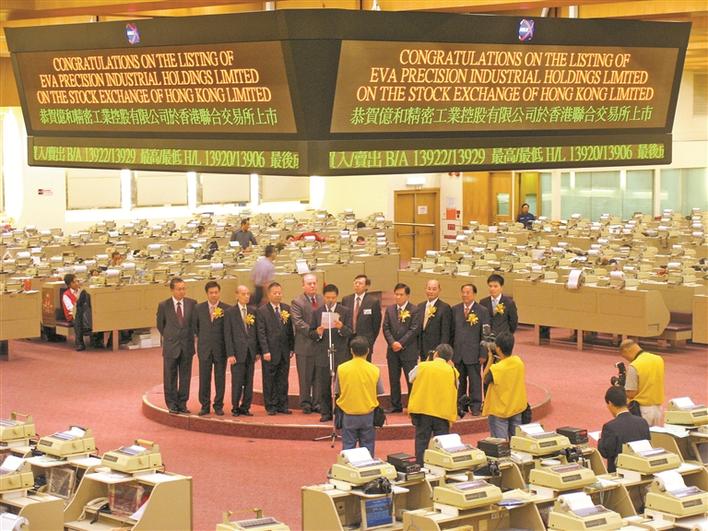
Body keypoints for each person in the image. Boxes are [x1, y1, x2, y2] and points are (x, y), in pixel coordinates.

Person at [407, 344, 459, 464]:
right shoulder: (453, 371)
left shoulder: (423, 366)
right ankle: (440, 466)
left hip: (423, 410)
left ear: (436, 354)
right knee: (441, 444)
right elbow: (457, 385)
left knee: (421, 441)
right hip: (443, 413)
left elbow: (410, 377)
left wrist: (426, 362)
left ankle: (420, 465)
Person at [309, 284, 353, 422]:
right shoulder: (317, 312)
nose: (330, 300)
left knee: (341, 386)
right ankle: (326, 413)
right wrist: (318, 333)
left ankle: (340, 413)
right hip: (323, 354)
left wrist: (341, 328)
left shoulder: (345, 311)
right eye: (328, 297)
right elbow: (311, 334)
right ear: (324, 297)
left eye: (333, 298)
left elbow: (350, 332)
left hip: (340, 353)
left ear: (337, 297)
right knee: (323, 385)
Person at [336, 336, 384, 456]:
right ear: (368, 350)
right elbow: (379, 391)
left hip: (348, 413)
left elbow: (337, 390)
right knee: (368, 447)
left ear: (351, 350)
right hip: (367, 414)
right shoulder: (374, 369)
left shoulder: (342, 368)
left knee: (348, 447)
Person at [156, 277, 197, 414]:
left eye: (184, 288)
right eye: (179, 289)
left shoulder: (192, 303)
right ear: (172, 290)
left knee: (185, 377)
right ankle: (172, 404)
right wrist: (171, 336)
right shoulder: (164, 305)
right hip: (171, 346)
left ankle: (182, 403)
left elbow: (194, 324)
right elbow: (160, 325)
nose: (182, 291)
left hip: (187, 346)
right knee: (170, 376)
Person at [451, 284, 491, 417]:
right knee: (459, 381)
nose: (465, 295)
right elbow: (452, 332)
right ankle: (460, 405)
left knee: (475, 382)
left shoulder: (482, 311)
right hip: (458, 353)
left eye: (468, 292)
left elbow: (485, 334)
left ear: (474, 294)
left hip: (474, 353)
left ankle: (475, 406)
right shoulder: (455, 309)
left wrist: (483, 353)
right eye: (463, 292)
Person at [256, 282, 295, 416]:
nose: (278, 295)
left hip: (284, 351)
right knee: (269, 380)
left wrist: (291, 347)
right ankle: (271, 405)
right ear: (269, 294)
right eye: (275, 293)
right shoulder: (262, 311)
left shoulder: (286, 308)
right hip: (270, 352)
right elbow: (261, 333)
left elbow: (290, 330)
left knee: (283, 379)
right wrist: (265, 351)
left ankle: (282, 405)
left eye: (279, 293)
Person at [481, 332, 527, 440]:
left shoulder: (497, 369)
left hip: (499, 411)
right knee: (517, 442)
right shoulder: (518, 362)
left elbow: (485, 379)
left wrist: (490, 358)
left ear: (498, 348)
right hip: (516, 407)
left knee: (500, 444)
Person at [193, 281, 230, 416]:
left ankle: (218, 405)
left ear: (219, 293)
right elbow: (196, 328)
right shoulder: (198, 308)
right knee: (204, 378)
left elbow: (228, 331)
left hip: (220, 349)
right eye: (211, 293)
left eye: (216, 292)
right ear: (207, 294)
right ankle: (205, 405)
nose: (214, 295)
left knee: (220, 379)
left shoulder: (227, 309)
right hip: (205, 349)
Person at [383, 283, 419, 413]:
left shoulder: (414, 310)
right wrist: (393, 343)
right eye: (396, 294)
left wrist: (401, 343)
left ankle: (413, 405)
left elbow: (414, 330)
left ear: (407, 295)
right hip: (392, 351)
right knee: (394, 379)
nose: (398, 297)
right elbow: (386, 328)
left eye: (401, 294)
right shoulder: (390, 309)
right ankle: (395, 404)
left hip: (408, 351)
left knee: (411, 380)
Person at [291, 273, 324, 414]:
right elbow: (298, 322)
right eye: (309, 283)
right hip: (305, 345)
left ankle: (317, 402)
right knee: (305, 377)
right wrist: (314, 332)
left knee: (318, 376)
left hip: (320, 345)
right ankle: (305, 403)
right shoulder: (297, 302)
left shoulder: (322, 299)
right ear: (303, 285)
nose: (312, 286)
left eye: (314, 283)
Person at [224, 285, 259, 417]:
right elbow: (227, 334)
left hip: (250, 352)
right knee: (237, 381)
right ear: (236, 295)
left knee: (249, 382)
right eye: (243, 294)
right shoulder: (230, 312)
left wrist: (257, 351)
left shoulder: (253, 310)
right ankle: (235, 406)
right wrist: (230, 354)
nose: (246, 296)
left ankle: (246, 407)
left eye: (248, 294)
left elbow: (256, 332)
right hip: (237, 353)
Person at [598, 386, 650, 473]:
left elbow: (606, 452)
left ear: (610, 403)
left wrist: (600, 440)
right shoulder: (642, 422)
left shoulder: (610, 427)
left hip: (619, 472)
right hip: (642, 470)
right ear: (626, 401)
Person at [620, 339, 665, 426]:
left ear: (626, 351)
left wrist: (622, 389)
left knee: (641, 434)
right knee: (656, 434)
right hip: (658, 408)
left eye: (625, 356)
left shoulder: (634, 365)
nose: (628, 360)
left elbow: (631, 393)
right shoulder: (658, 359)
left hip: (642, 410)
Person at [342, 275, 382, 362]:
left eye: (360, 283)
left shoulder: (373, 301)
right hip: (348, 340)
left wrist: (370, 341)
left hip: (365, 341)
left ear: (366, 286)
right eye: (355, 283)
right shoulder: (346, 300)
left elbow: (376, 324)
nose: (357, 285)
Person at [417, 279, 452, 361]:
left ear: (439, 290)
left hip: (436, 350)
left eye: (434, 289)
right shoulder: (420, 306)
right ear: (425, 289)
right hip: (421, 348)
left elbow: (445, 332)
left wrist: (441, 352)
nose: (431, 291)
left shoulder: (444, 307)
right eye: (429, 289)